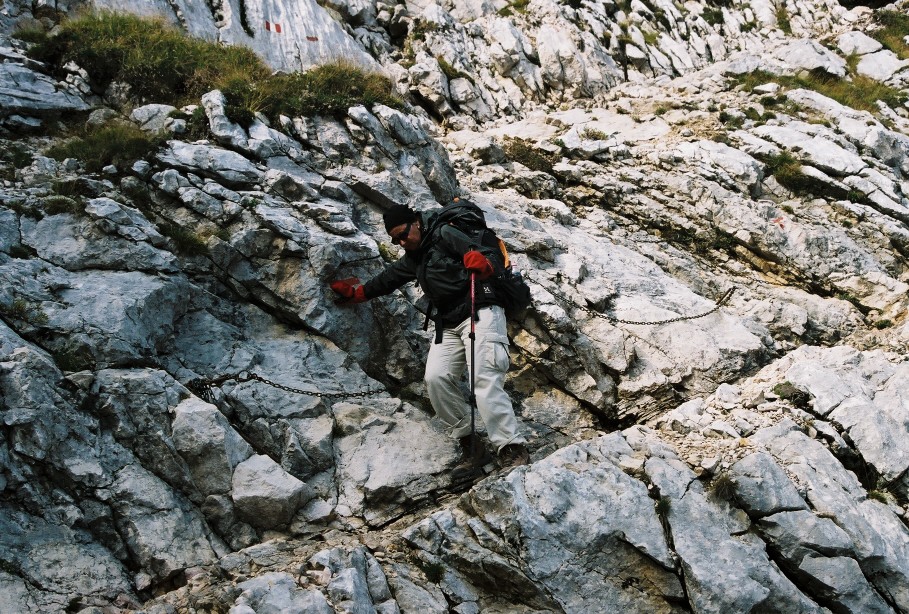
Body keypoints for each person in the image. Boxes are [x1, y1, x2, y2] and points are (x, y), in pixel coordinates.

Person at [330, 203, 530, 478]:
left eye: (403, 234)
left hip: (480, 308)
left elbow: (485, 254)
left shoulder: (445, 233)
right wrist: (357, 293)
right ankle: (470, 444)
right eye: (395, 240)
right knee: (436, 378)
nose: (401, 242)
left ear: (416, 222)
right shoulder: (415, 256)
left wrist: (483, 265)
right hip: (447, 321)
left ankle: (511, 447)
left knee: (483, 378)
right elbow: (389, 278)